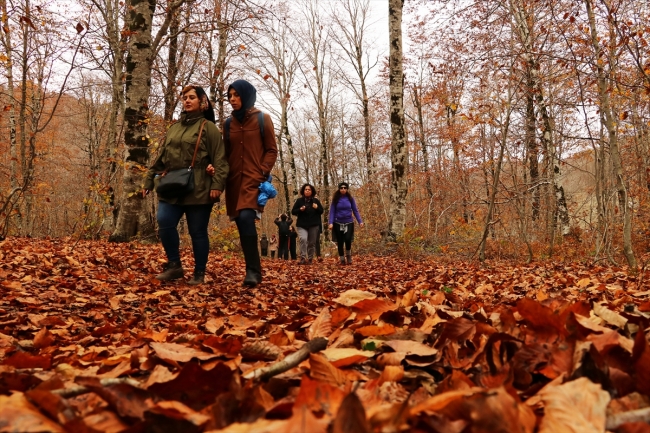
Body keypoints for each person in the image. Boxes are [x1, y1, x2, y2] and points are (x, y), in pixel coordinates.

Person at [143, 85, 228, 285]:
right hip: (173, 185)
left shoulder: (209, 128)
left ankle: (199, 273)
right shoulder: (174, 128)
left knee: (197, 231)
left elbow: (221, 160)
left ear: (202, 102)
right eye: (184, 98)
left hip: (199, 188)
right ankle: (175, 265)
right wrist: (148, 179)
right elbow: (161, 158)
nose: (187, 101)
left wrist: (217, 185)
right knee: (164, 220)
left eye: (191, 97)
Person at [211, 79, 277, 287]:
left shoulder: (262, 119)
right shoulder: (228, 123)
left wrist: (263, 171)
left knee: (247, 217)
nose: (232, 99)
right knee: (241, 222)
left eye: (237, 95)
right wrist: (216, 169)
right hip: (234, 182)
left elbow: (271, 150)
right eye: (230, 96)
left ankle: (253, 271)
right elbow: (225, 153)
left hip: (253, 179)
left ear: (247, 96)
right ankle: (252, 267)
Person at [328, 182, 364, 265]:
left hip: (349, 222)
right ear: (339, 189)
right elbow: (332, 211)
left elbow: (355, 210)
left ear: (347, 189)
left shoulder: (350, 198)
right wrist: (330, 222)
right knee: (340, 241)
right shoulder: (335, 199)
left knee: (348, 239)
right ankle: (342, 258)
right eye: (341, 188)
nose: (343, 189)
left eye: (345, 188)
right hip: (337, 222)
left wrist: (360, 221)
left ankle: (348, 255)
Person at [291, 183, 324, 264]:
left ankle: (310, 259)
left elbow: (321, 211)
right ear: (303, 191)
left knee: (312, 242)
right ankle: (302, 258)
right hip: (302, 225)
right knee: (303, 239)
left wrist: (316, 208)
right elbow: (293, 211)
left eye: (309, 190)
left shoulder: (316, 201)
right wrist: (300, 209)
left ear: (312, 191)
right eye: (306, 189)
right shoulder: (299, 201)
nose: (307, 191)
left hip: (314, 225)